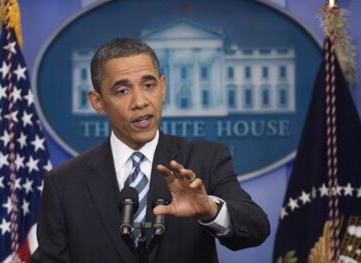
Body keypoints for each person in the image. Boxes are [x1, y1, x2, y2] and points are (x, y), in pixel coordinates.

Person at [33, 37, 270, 263]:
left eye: (148, 85)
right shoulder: (64, 183)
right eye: (122, 91)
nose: (140, 101)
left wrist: (209, 210)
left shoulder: (205, 159)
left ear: (163, 87)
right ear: (98, 101)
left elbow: (256, 228)